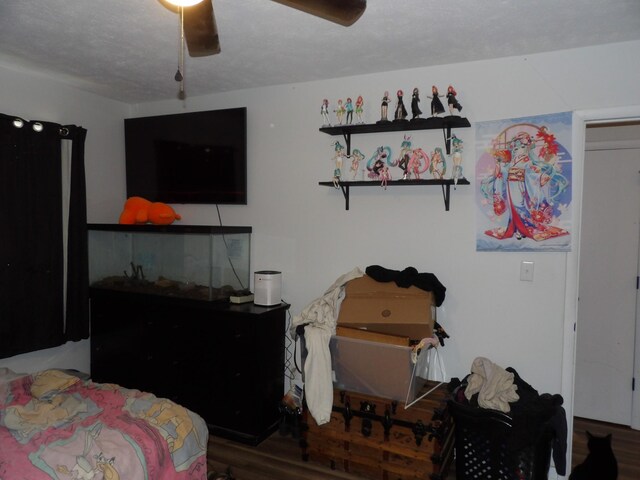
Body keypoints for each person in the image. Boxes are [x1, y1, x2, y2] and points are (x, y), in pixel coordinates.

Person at [480, 130, 569, 241]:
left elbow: (532, 173)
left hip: (520, 186)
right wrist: (499, 165)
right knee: (514, 207)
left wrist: (540, 176)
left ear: (527, 149)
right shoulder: (511, 163)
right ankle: (516, 229)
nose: (517, 150)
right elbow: (504, 171)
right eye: (515, 148)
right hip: (509, 186)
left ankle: (524, 228)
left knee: (520, 205)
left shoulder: (527, 162)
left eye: (521, 147)